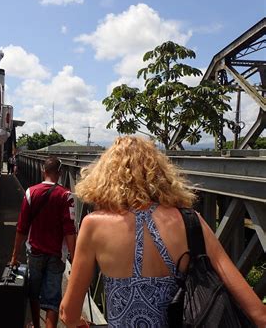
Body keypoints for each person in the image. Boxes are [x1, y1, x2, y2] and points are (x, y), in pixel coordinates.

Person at [59, 136, 266, 328]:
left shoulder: (94, 225)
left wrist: (79, 322)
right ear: (160, 174)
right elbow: (258, 313)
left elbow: (68, 313)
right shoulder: (191, 221)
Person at [10, 156, 76, 328]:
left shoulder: (31, 192)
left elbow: (21, 228)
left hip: (35, 251)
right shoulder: (66, 195)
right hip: (56, 254)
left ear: (43, 171)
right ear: (60, 173)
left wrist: (14, 256)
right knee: (52, 299)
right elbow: (70, 231)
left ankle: (36, 325)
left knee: (34, 292)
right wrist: (75, 260)